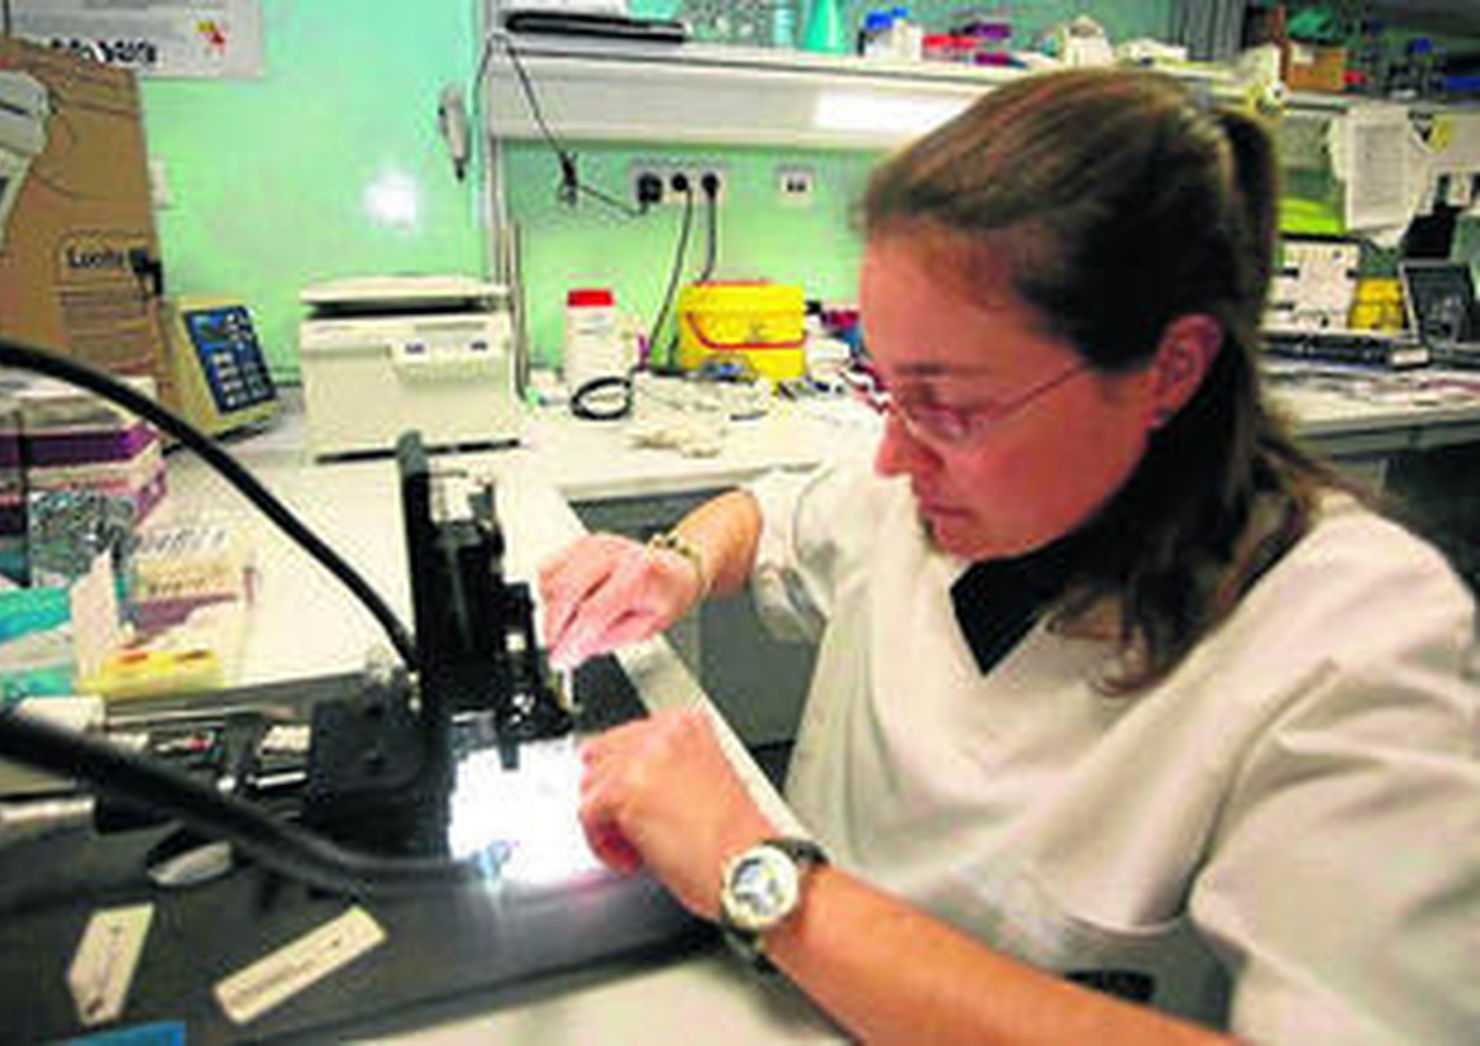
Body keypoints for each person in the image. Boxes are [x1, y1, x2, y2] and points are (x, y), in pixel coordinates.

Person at [538, 69, 1479, 1043]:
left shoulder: (1357, 645)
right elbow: (767, 516)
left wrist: (762, 876)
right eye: (890, 391)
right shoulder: (919, 490)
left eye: (947, 406)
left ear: (1170, 369)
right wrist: (675, 564)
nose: (896, 455)